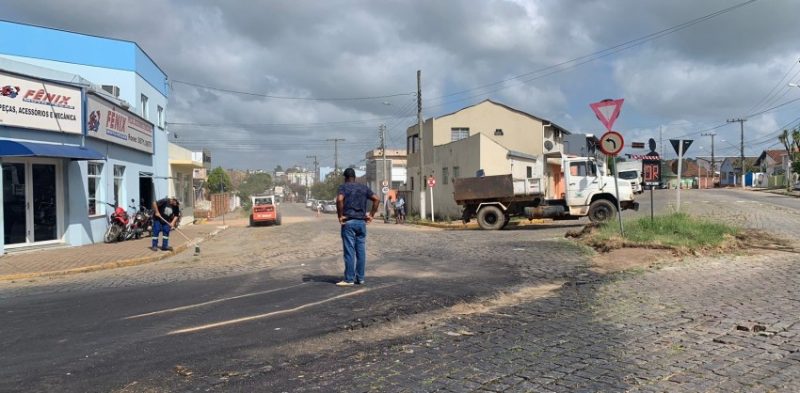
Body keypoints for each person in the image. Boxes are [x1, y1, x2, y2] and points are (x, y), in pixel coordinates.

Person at [336, 168, 379, 286]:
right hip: (361, 223)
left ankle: (349, 279)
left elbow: (339, 199)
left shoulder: (343, 187)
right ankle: (360, 278)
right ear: (354, 177)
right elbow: (377, 199)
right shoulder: (363, 188)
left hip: (349, 222)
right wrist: (371, 215)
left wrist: (340, 216)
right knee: (361, 251)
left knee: (349, 251)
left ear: (345, 178)